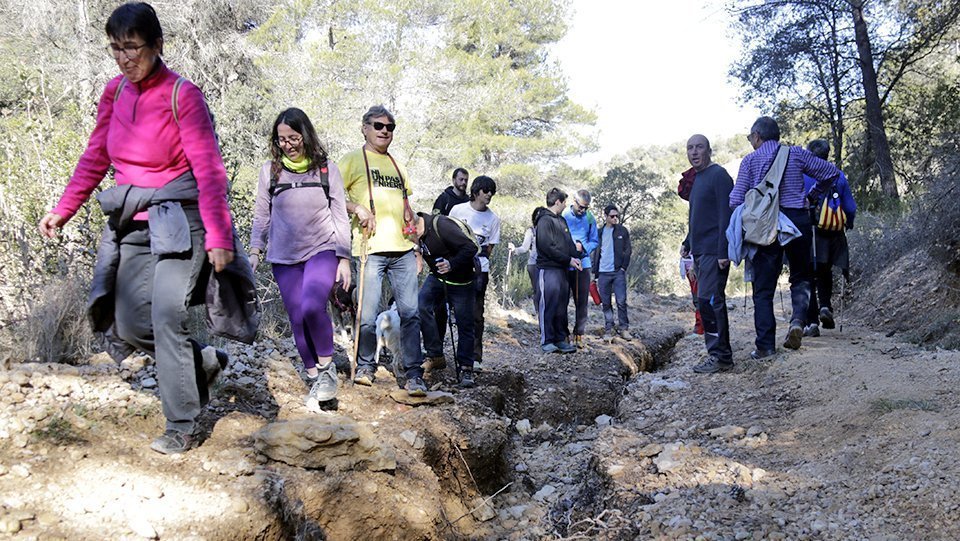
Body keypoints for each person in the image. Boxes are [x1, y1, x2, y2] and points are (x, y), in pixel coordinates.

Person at [38, 2, 246, 454]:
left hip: (180, 220)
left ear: (157, 45)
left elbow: (208, 170)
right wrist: (64, 208)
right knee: (131, 325)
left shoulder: (182, 95)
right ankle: (202, 362)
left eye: (133, 48)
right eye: (116, 49)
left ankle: (183, 423)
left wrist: (218, 235)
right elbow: (96, 156)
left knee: (167, 315)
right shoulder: (114, 93)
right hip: (131, 221)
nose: (124, 58)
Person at [249, 108, 351, 405]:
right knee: (296, 316)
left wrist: (343, 257)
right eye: (282, 140)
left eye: (293, 137)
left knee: (310, 307)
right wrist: (255, 250)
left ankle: (327, 369)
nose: (288, 144)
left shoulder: (326, 169)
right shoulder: (270, 171)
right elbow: (260, 215)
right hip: (283, 256)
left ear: (305, 135)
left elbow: (340, 215)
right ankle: (314, 376)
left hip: (322, 249)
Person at [729, 116, 842, 358]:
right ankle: (798, 322)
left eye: (751, 137)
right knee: (801, 277)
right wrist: (813, 195)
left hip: (764, 226)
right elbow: (831, 173)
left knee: (763, 288)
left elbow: (735, 199)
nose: (751, 142)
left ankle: (765, 347)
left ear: (757, 136)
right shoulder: (796, 154)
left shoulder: (749, 161)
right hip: (797, 220)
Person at [339, 105, 426, 396]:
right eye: (378, 126)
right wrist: (357, 208)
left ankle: (414, 374)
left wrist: (417, 247)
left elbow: (406, 208)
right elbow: (332, 196)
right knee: (367, 313)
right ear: (364, 128)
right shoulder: (352, 160)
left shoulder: (397, 165)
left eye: (390, 127)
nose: (384, 131)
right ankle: (365, 367)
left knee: (411, 313)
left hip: (402, 250)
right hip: (370, 248)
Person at [680, 134, 734, 373]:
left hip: (715, 250)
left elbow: (726, 215)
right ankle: (716, 353)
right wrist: (688, 241)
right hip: (700, 251)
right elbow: (697, 218)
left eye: (699, 147)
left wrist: (724, 250)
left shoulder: (719, 176)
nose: (694, 152)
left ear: (709, 150)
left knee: (711, 302)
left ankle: (721, 356)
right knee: (704, 302)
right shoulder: (698, 179)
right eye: (690, 148)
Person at [415, 212, 479, 387]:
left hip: (462, 280)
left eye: (409, 233)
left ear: (415, 225)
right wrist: (418, 254)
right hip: (437, 278)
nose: (408, 237)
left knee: (464, 323)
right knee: (421, 305)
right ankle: (435, 354)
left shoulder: (442, 226)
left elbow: (471, 247)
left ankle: (466, 368)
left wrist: (452, 264)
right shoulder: (416, 235)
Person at [802, 139, 857, 337]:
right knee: (825, 271)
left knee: (807, 275)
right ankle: (825, 305)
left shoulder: (803, 174)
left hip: (809, 231)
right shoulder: (838, 175)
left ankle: (811, 322)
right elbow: (850, 207)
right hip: (832, 233)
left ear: (809, 154)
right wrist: (848, 222)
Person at [450, 176, 501, 370]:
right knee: (448, 310)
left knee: (476, 313)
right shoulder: (458, 210)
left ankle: (474, 357)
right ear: (476, 191)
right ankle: (436, 353)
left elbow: (489, 248)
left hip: (479, 269)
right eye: (486, 191)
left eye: (492, 192)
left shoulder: (493, 219)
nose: (489, 195)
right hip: (455, 266)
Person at [427, 167, 469, 355]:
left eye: (466, 180)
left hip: (461, 259)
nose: (463, 183)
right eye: (460, 179)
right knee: (438, 308)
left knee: (462, 312)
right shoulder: (444, 199)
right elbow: (435, 219)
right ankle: (436, 350)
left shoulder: (468, 201)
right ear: (453, 180)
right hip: (442, 254)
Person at [536, 188, 581, 354]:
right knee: (549, 304)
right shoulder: (544, 221)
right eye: (564, 202)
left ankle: (561, 339)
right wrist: (568, 259)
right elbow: (546, 247)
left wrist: (577, 256)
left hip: (563, 270)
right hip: (548, 270)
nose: (565, 206)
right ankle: (547, 340)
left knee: (562, 305)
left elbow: (569, 244)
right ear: (557, 202)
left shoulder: (561, 221)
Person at [562, 190, 599, 347]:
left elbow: (594, 241)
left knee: (581, 301)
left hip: (583, 264)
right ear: (574, 201)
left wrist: (583, 248)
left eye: (586, 207)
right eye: (581, 207)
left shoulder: (590, 218)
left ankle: (579, 334)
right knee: (562, 300)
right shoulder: (564, 215)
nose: (583, 210)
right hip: (565, 262)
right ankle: (563, 334)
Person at [593, 204, 632, 340]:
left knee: (621, 301)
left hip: (618, 272)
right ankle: (609, 328)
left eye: (617, 216)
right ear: (606, 217)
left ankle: (624, 328)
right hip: (603, 272)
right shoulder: (599, 232)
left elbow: (628, 250)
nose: (615, 218)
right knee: (606, 302)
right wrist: (594, 272)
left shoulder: (622, 231)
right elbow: (596, 252)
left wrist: (623, 268)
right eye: (612, 216)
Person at [509, 207, 544, 314]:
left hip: (546, 264)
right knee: (538, 290)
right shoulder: (531, 231)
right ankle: (539, 313)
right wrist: (514, 250)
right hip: (534, 264)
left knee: (545, 290)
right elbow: (524, 247)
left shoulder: (549, 230)